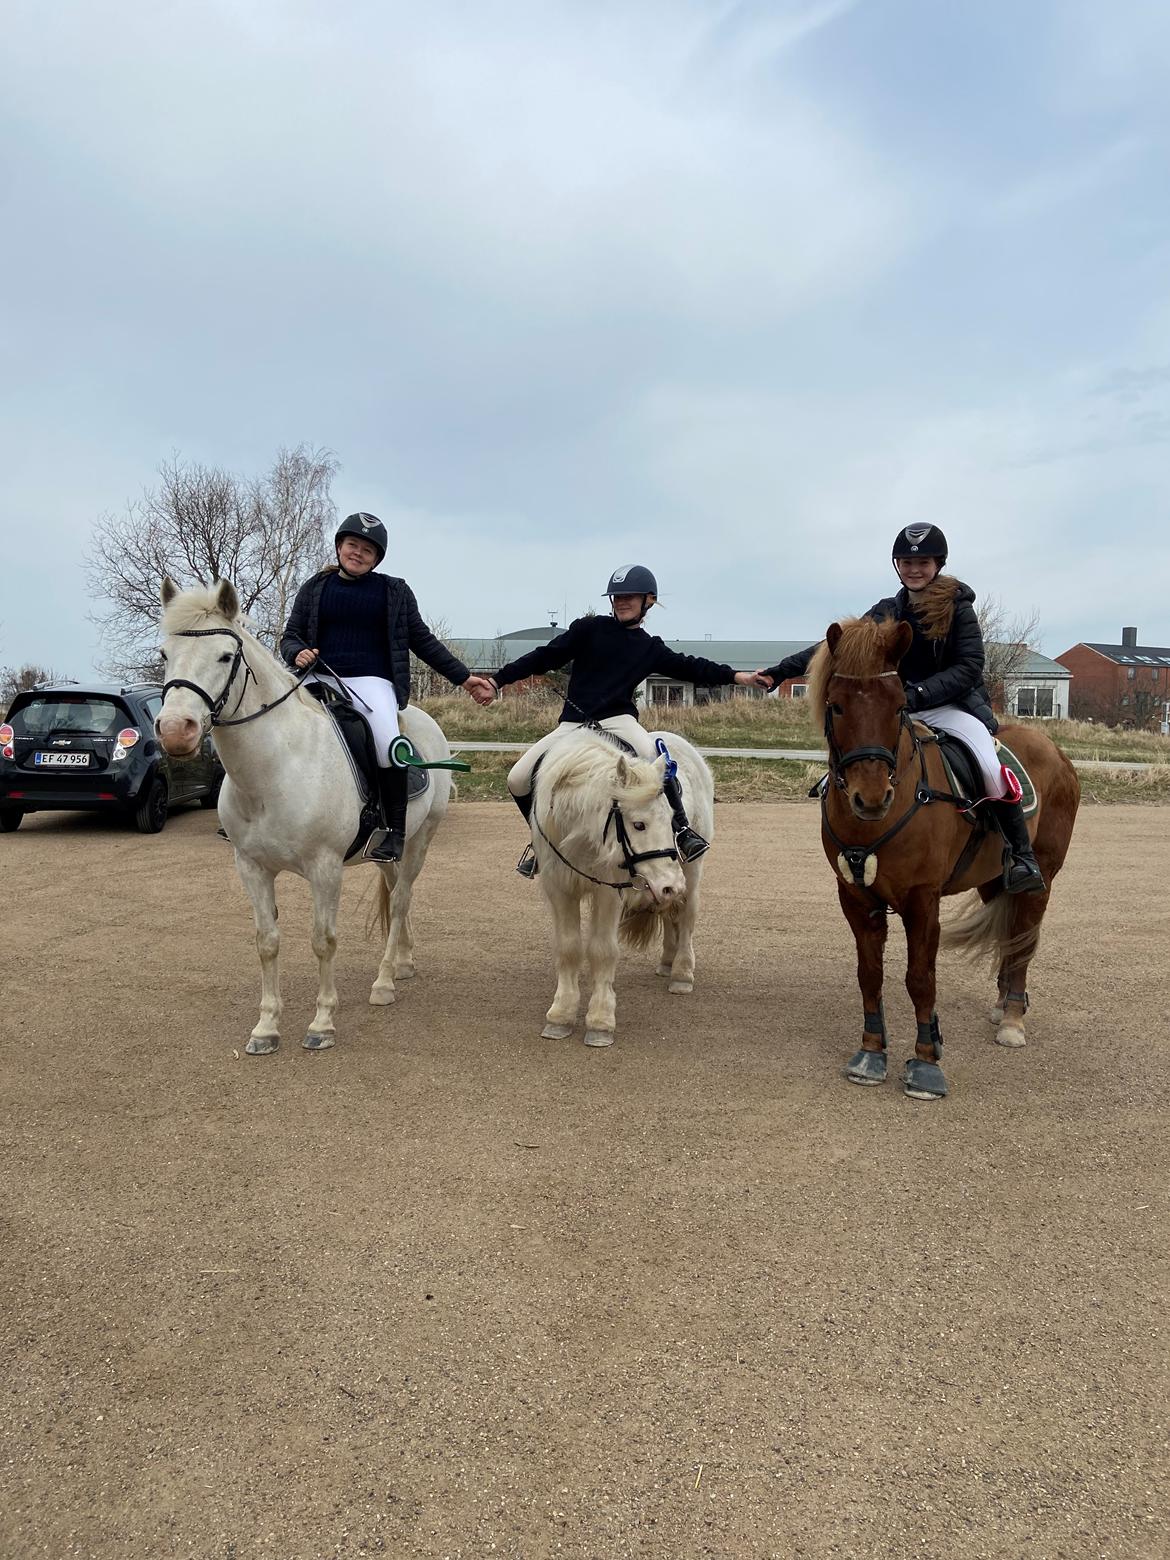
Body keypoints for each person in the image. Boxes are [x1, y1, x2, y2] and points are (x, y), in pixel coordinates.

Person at [756, 525, 1045, 893]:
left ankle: (1022, 857)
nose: (914, 569)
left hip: (953, 708)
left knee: (988, 766)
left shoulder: (959, 608)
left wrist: (920, 693)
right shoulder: (888, 611)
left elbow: (969, 666)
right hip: (900, 709)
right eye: (907, 562)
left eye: (922, 562)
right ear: (897, 565)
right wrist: (779, 672)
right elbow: (835, 648)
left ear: (937, 564)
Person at [487, 564, 768, 877]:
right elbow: (543, 657)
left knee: (650, 759)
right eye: (616, 597)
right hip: (573, 725)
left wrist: (738, 676)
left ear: (648, 600)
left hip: (618, 721)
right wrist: (497, 681)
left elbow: (692, 667)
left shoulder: (650, 648)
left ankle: (681, 831)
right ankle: (542, 842)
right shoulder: (587, 629)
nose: (620, 602)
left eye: (629, 597)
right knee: (518, 778)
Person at [280, 513, 495, 862]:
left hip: (370, 683)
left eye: (368, 549)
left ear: (377, 558)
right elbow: (291, 634)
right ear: (339, 546)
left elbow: (423, 641)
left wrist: (464, 678)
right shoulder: (314, 588)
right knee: (269, 723)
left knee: (388, 744)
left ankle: (394, 831)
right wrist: (296, 651)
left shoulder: (393, 591)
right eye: (353, 545)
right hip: (317, 677)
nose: (358, 553)